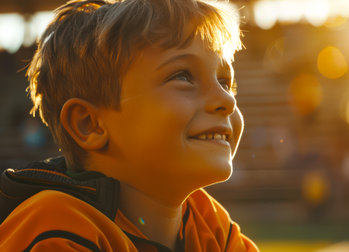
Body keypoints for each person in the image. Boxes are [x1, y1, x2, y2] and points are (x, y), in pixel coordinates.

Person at [0, 0, 259, 251]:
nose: (226, 99)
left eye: (225, 82)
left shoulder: (207, 220)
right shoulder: (55, 226)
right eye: (183, 76)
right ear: (89, 124)